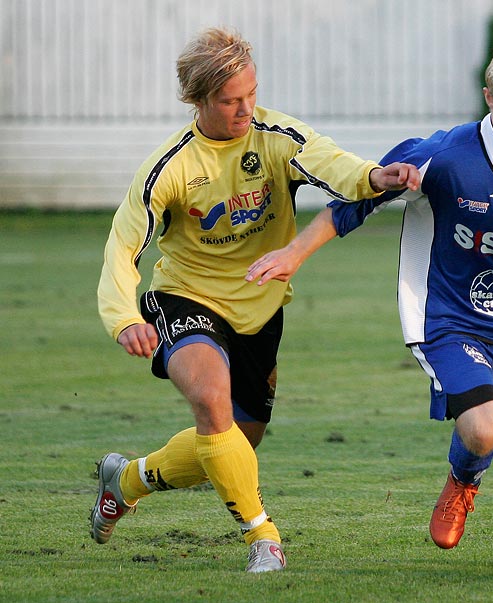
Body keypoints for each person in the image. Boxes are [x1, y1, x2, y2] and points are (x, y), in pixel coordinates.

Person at [246, 41, 493, 567]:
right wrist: (293, 253)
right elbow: (354, 202)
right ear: (489, 98)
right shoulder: (443, 154)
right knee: (483, 426)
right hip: (447, 319)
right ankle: (463, 482)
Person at [93, 26, 420, 573]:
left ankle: (127, 480)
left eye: (251, 94)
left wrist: (372, 176)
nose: (246, 108)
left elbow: (330, 162)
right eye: (229, 101)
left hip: (261, 308)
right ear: (197, 100)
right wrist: (124, 317)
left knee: (237, 441)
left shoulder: (275, 136)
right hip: (186, 297)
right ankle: (262, 537)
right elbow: (123, 244)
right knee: (211, 401)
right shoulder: (169, 168)